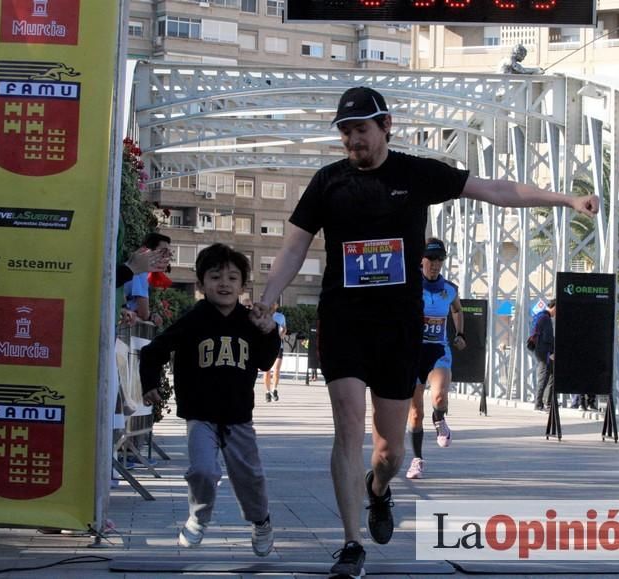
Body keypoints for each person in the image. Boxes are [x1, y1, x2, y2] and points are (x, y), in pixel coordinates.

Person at [253, 86, 598, 577]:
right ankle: (350, 545)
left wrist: (565, 199)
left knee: (389, 451)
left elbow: (495, 190)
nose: (353, 140)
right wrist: (268, 298)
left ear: (386, 125)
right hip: (345, 321)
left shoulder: (415, 174)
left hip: (398, 328)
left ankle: (379, 488)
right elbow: (292, 248)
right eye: (346, 132)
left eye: (362, 130)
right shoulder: (327, 183)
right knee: (348, 424)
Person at [139, 243, 280, 555]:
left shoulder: (249, 322)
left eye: (232, 278)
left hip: (238, 418)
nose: (224, 284)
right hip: (200, 416)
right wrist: (149, 383)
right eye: (215, 277)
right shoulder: (193, 321)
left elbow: (266, 361)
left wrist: (270, 332)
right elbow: (153, 351)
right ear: (201, 284)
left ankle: (261, 521)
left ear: (243, 285)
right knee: (203, 470)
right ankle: (198, 518)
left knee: (250, 477)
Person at [405, 239, 465, 480]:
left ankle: (439, 417)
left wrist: (460, 333)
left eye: (440, 259)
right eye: (431, 258)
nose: (436, 264)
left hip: (438, 350)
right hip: (413, 353)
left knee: (439, 396)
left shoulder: (449, 289)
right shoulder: (409, 286)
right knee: (416, 413)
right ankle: (417, 460)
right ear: (422, 260)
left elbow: (457, 309)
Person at [124, 232, 172, 326]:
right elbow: (143, 313)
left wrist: (150, 316)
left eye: (169, 253)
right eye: (163, 251)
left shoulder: (140, 269)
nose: (167, 256)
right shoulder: (140, 271)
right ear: (148, 252)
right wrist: (150, 316)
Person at [532, 299, 556, 412]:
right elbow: (548, 338)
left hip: (539, 350)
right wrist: (552, 352)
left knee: (551, 374)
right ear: (554, 307)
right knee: (544, 375)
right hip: (544, 352)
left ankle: (548, 402)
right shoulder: (546, 319)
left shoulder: (540, 316)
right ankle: (538, 403)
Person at [263, 304, 287, 402]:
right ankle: (267, 392)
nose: (272, 305)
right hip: (266, 346)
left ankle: (274, 389)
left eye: (274, 303)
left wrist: (282, 333)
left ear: (276, 305)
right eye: (271, 303)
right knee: (267, 370)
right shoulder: (264, 316)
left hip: (278, 346)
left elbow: (284, 329)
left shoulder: (281, 316)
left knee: (276, 369)